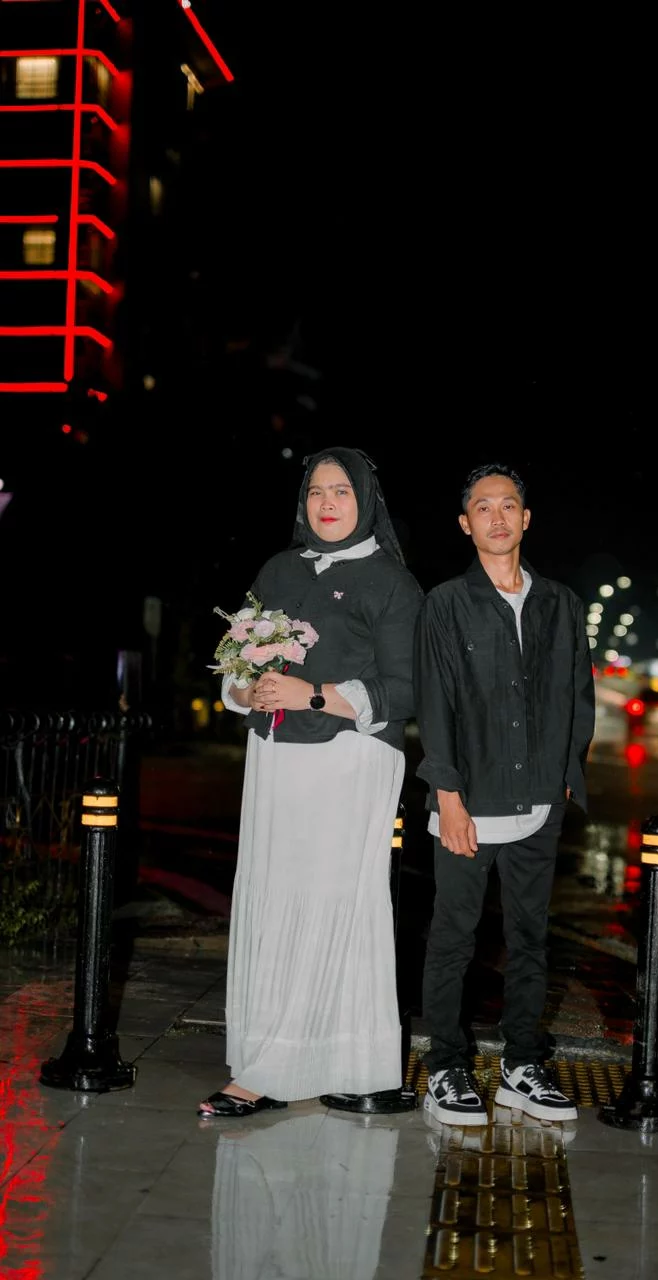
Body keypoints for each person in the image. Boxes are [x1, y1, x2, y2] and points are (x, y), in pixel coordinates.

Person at [198, 446, 424, 1117]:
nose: (327, 503)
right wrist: (247, 690)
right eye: (317, 491)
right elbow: (233, 659)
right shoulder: (278, 569)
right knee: (273, 900)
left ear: (366, 501)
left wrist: (314, 694)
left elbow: (407, 689)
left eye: (342, 491)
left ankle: (301, 1070)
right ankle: (289, 1059)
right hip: (275, 755)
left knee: (334, 904)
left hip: (349, 758)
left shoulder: (391, 581)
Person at [414, 461, 596, 1126]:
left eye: (508, 505)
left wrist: (565, 774)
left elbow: (577, 695)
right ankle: (447, 1067)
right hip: (468, 802)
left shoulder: (561, 603)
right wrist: (449, 797)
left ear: (526, 518)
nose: (497, 516)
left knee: (530, 939)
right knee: (453, 939)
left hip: (539, 802)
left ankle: (522, 1065)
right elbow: (435, 705)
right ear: (466, 524)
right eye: (483, 507)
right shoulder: (445, 603)